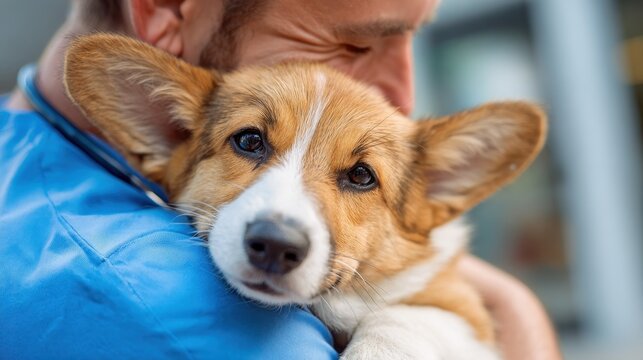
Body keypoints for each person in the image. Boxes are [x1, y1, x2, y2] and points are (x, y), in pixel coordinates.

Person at [0, 0, 561, 358]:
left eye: (359, 176)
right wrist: (519, 314)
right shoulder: (170, 311)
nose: (401, 96)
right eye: (355, 42)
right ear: (167, 10)